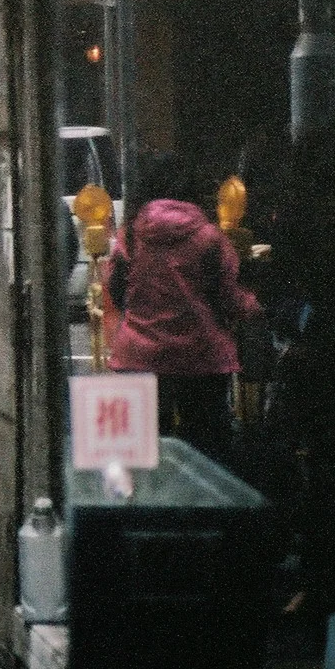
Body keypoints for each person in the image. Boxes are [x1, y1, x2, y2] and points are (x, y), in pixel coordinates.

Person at [105, 151, 260, 464]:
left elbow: (116, 289)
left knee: (142, 456)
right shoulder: (209, 238)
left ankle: (151, 510)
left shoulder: (132, 236)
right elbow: (228, 298)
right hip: (201, 361)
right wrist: (254, 308)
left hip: (139, 357)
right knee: (206, 456)